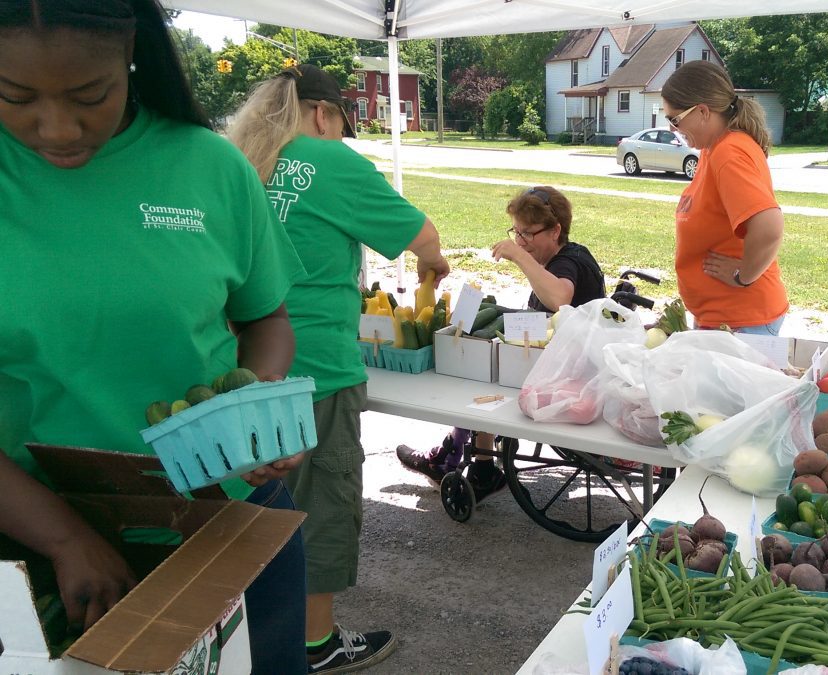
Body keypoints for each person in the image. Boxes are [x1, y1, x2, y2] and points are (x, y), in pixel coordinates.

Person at [0, 1, 310, 673]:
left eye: (90, 96)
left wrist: (253, 405)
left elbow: (267, 321)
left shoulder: (210, 167)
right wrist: (65, 539)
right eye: (15, 96)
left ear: (131, 55)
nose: (56, 128)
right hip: (36, 535)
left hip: (225, 519)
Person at [228, 64, 451, 673]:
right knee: (319, 504)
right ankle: (316, 644)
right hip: (316, 366)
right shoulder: (331, 161)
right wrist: (436, 265)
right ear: (324, 114)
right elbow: (422, 237)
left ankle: (250, 635)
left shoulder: (238, 161)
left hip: (235, 367)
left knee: (251, 504)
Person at [396, 186, 605, 494]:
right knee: (487, 358)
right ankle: (473, 462)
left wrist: (519, 255)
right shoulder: (568, 255)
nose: (521, 241)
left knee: (482, 378)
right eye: (517, 233)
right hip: (566, 362)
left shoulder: (567, 262)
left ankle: (462, 461)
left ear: (556, 230)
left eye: (528, 234)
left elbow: (560, 297)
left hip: (569, 374)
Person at [660, 60, 788, 335]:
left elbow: (769, 227)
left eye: (675, 119)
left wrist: (743, 276)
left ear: (703, 111)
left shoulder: (729, 153)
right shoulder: (714, 148)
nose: (672, 128)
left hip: (741, 319)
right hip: (724, 318)